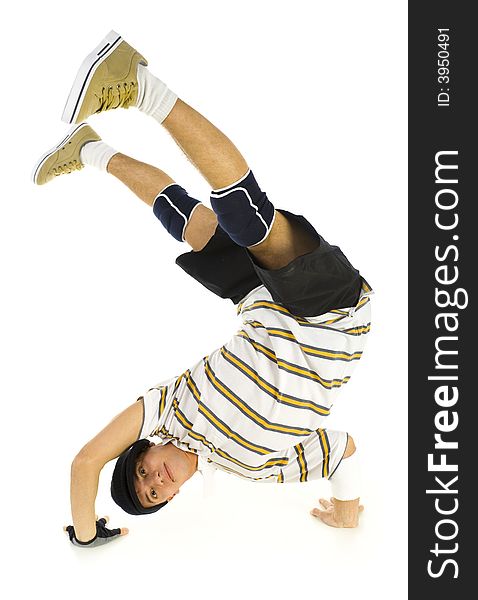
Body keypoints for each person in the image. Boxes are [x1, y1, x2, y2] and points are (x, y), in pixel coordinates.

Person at [32, 31, 372, 548]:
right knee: (241, 225)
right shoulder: (260, 468)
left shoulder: (167, 410)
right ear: (170, 501)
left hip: (264, 305)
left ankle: (119, 112)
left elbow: (86, 463)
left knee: (203, 225)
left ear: (145, 449)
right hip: (332, 319)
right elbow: (341, 447)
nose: (154, 479)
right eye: (152, 494)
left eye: (141, 471)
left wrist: (87, 535)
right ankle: (110, 123)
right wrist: (348, 510)